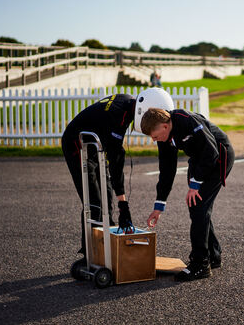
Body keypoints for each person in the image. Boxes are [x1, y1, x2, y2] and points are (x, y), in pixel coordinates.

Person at [62, 88, 174, 262]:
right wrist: (124, 205)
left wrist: (121, 205)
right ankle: (90, 255)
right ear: (145, 110)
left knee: (106, 197)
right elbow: (116, 161)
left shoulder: (127, 103)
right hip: (76, 146)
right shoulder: (117, 115)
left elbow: (115, 156)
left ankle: (106, 246)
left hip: (94, 147)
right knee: (94, 202)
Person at [140, 108, 235, 281]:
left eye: (154, 136)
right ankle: (213, 255)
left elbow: (211, 150)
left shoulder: (185, 119)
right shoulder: (164, 138)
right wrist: (159, 206)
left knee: (198, 206)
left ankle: (200, 264)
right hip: (199, 159)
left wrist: (195, 184)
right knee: (198, 207)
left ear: (164, 126)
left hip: (219, 155)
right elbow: (167, 171)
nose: (154, 140)